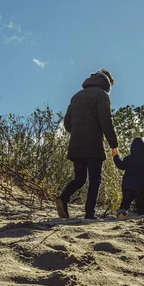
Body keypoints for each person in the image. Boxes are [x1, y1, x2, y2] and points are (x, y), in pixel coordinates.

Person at [56, 69, 119, 219]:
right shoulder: (102, 95)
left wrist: (78, 133)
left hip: (76, 143)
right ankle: (90, 214)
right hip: (94, 144)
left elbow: (66, 123)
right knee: (95, 179)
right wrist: (114, 145)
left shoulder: (76, 96)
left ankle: (63, 198)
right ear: (107, 83)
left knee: (80, 178)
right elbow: (106, 122)